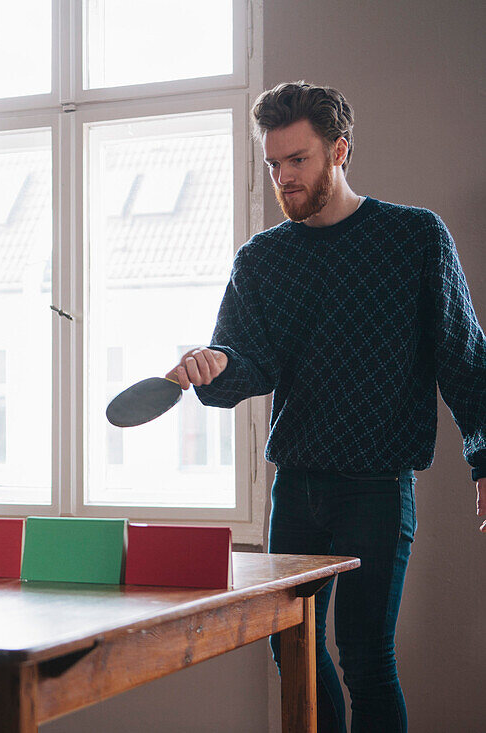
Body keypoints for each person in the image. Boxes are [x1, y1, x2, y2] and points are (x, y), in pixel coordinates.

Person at [167, 81, 486, 733]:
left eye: (298, 160)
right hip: (298, 488)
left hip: (376, 486)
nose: (283, 178)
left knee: (365, 658)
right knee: (292, 647)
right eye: (274, 165)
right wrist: (214, 366)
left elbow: (466, 355)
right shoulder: (261, 261)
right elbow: (245, 366)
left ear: (339, 151)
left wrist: (485, 457)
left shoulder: (415, 237)